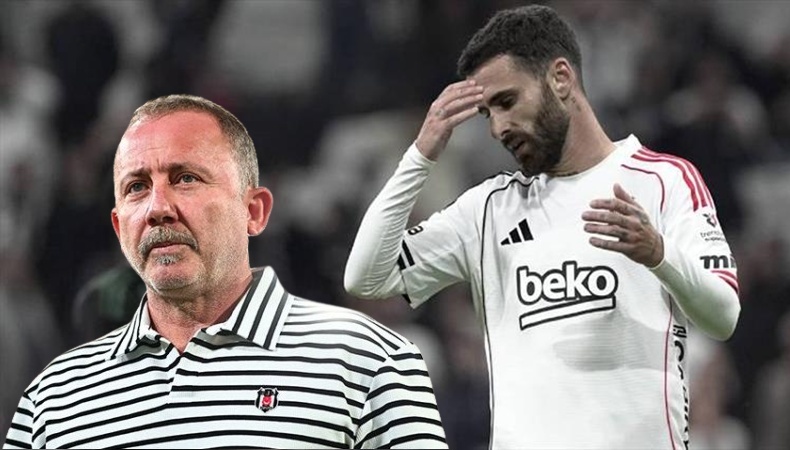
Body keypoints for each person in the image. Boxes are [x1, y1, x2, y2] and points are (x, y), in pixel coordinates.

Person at [344, 4, 740, 449]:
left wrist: (659, 255)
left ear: (561, 78)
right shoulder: (489, 210)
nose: (498, 128)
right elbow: (366, 278)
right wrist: (420, 156)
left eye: (507, 102)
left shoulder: (663, 180)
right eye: (487, 113)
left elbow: (723, 316)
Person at [4, 95, 447, 449]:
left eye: (186, 178)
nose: (158, 208)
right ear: (120, 228)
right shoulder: (55, 396)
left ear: (254, 212)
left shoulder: (369, 361)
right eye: (137, 187)